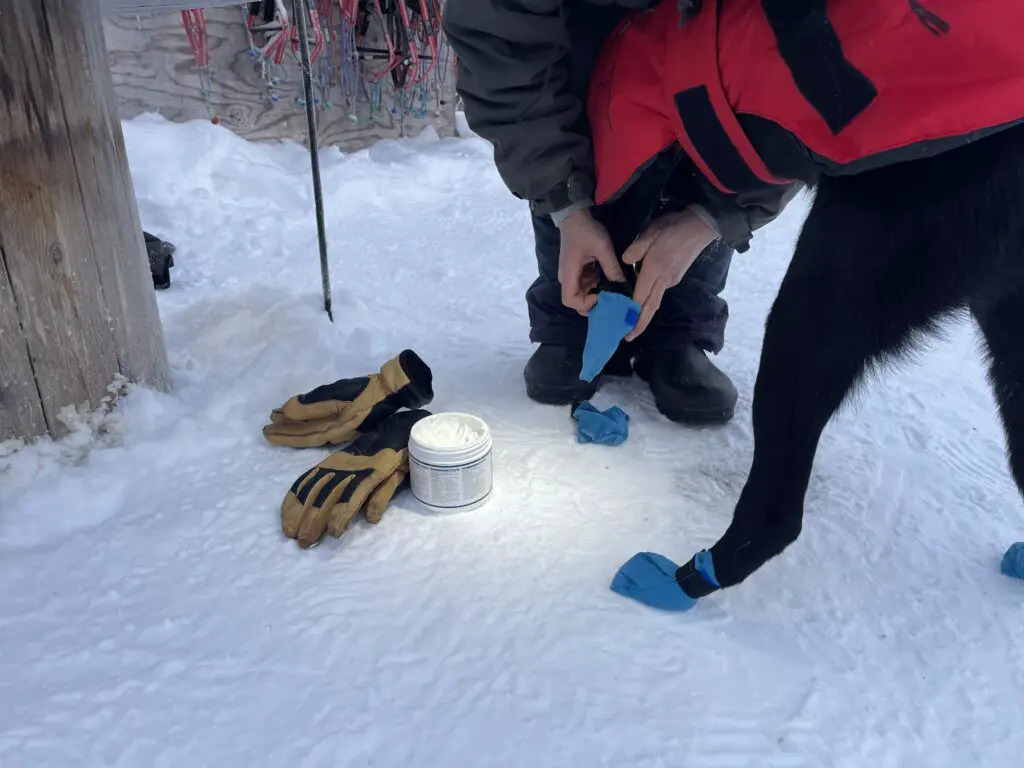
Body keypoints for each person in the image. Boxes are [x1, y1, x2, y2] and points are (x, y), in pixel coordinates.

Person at [442, 1, 742, 425]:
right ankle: (571, 317)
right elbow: (504, 54)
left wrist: (711, 216)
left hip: (720, 47)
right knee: (577, 85)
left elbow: (804, 105)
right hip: (576, 37)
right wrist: (566, 207)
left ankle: (678, 322)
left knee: (718, 117)